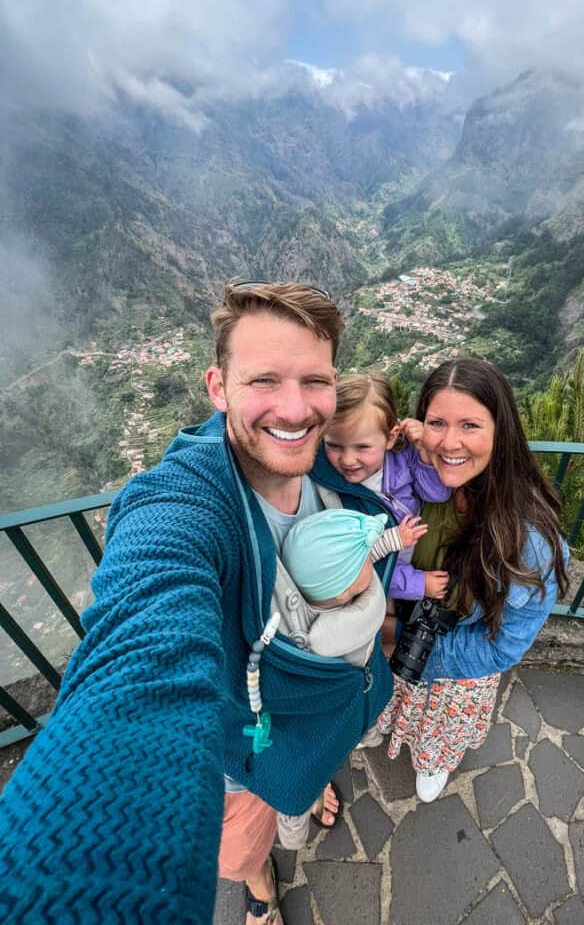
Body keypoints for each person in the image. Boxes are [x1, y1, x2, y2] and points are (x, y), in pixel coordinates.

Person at [0, 281, 398, 925]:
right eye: (264, 380)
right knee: (240, 853)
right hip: (243, 757)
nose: (296, 409)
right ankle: (263, 892)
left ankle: (312, 773)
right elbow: (143, 658)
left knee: (304, 771)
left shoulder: (327, 461)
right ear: (218, 388)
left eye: (315, 382)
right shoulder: (187, 502)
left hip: (319, 713)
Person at [378, 357, 569, 803]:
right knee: (400, 705)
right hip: (408, 638)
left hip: (453, 662)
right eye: (437, 422)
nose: (450, 442)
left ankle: (435, 759)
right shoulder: (415, 482)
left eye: (470, 426)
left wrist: (405, 642)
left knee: (437, 732)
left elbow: (505, 644)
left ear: (500, 432)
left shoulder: (529, 539)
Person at [275, 507, 406, 848]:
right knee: (306, 772)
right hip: (333, 710)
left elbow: (361, 558)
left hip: (341, 700)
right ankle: (296, 823)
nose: (372, 562)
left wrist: (395, 539)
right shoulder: (327, 634)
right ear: (345, 592)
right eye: (365, 563)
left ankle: (302, 811)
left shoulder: (323, 586)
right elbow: (359, 564)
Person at [323, 373, 453, 653]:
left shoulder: (404, 460)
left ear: (391, 437)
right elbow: (363, 568)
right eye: (334, 445)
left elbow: (438, 493)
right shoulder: (335, 493)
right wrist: (419, 584)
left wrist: (424, 454)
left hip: (407, 561)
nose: (347, 460)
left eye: (362, 447)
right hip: (390, 572)